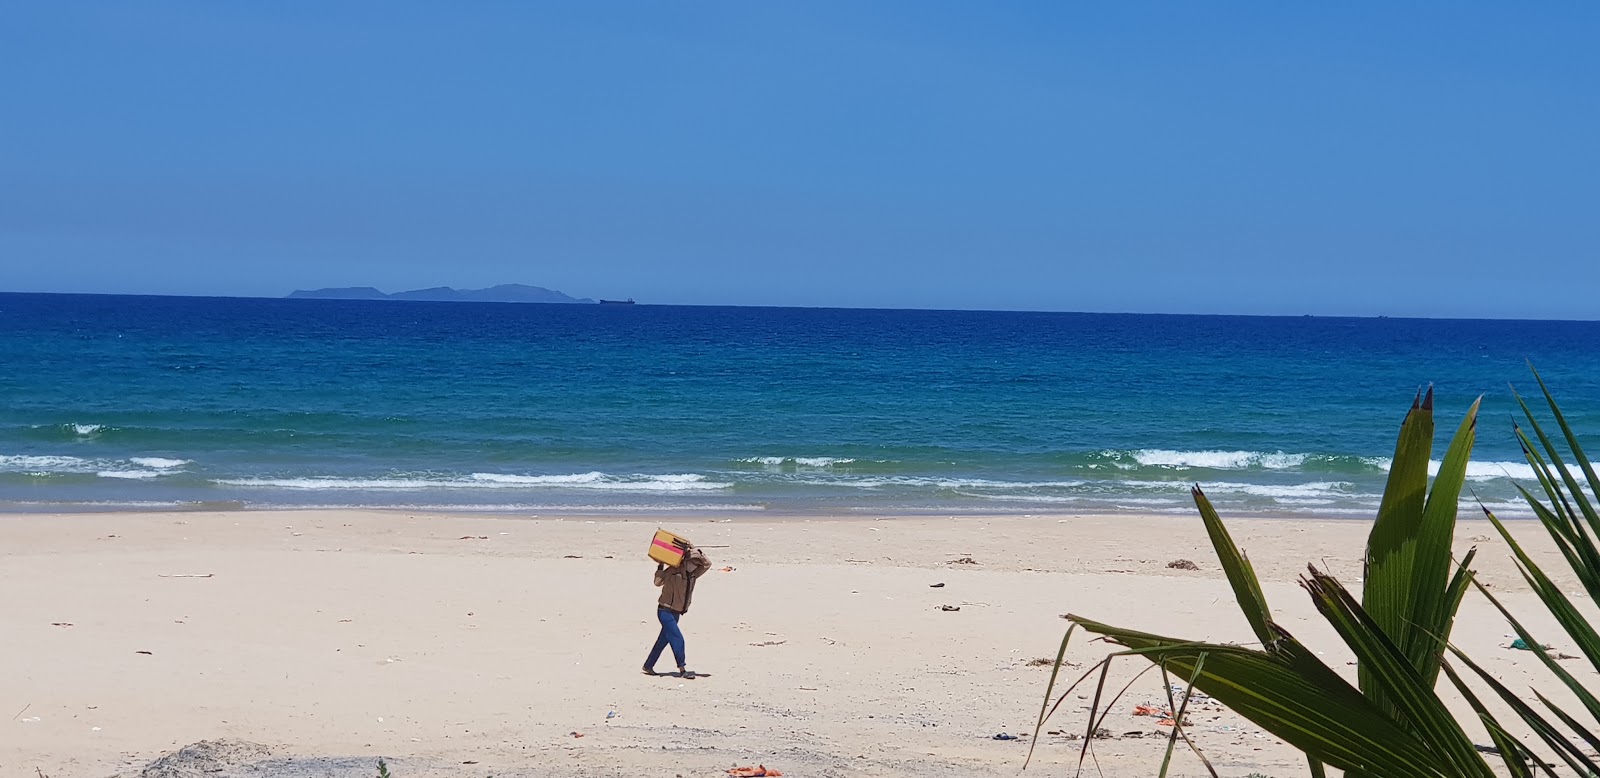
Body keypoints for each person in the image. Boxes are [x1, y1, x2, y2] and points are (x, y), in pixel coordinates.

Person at [643, 544, 710, 677]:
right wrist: (661, 566)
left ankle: (648, 665)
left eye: (697, 563)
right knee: (677, 638)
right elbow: (657, 582)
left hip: (676, 612)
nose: (696, 565)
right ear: (686, 562)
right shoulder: (672, 570)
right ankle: (682, 669)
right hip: (664, 611)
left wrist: (694, 550)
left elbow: (707, 563)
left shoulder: (693, 575)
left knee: (663, 641)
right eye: (693, 562)